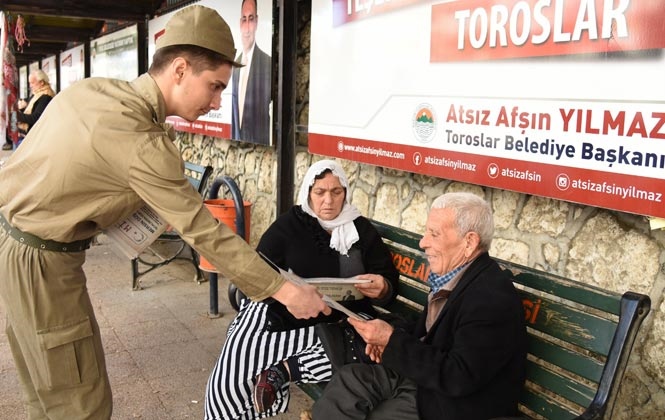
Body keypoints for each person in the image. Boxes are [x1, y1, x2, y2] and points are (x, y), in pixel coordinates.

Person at [0, 6, 329, 419]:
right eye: (213, 86)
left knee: (45, 397)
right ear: (178, 69)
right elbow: (204, 231)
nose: (216, 101)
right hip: (45, 267)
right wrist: (284, 291)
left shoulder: (95, 91)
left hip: (18, 248)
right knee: (80, 404)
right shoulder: (141, 139)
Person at [204, 159, 400, 419]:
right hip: (282, 315)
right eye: (320, 192)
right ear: (308, 192)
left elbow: (387, 281)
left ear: (345, 193)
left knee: (363, 348)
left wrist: (383, 286)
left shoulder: (361, 229)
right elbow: (259, 270)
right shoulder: (290, 225)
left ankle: (282, 371)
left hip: (338, 323)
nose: (328, 201)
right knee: (231, 379)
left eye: (336, 192)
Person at [312, 192, 528, 420]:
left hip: (456, 404)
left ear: (469, 242)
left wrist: (392, 341)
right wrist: (388, 341)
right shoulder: (455, 274)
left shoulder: (490, 298)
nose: (423, 242)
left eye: (434, 234)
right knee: (349, 379)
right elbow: (432, 339)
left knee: (378, 415)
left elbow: (458, 377)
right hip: (425, 379)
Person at [231, 0, 271, 145]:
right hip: (237, 144)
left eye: (251, 19)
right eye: (244, 19)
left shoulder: (267, 63)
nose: (247, 28)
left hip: (259, 145)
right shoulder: (235, 65)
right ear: (239, 22)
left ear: (257, 22)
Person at [16, 69, 56, 140]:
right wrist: (22, 108)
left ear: (41, 82)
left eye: (32, 83)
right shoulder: (36, 93)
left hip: (36, 137)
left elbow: (36, 118)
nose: (30, 86)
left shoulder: (46, 96)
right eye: (29, 83)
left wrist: (16, 115)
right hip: (29, 135)